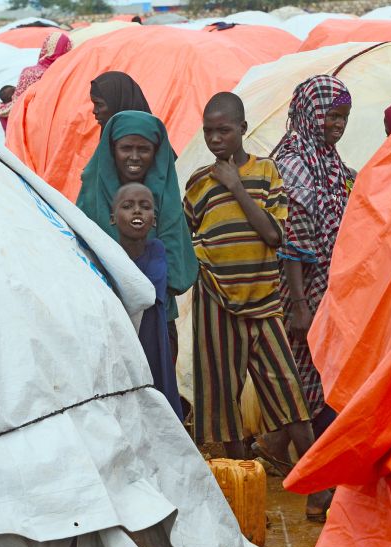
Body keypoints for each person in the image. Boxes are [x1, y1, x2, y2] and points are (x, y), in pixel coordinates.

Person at [184, 92, 329, 520]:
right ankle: (241, 492)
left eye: (223, 129)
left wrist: (234, 185)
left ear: (243, 129)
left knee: (288, 394)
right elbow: (190, 236)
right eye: (209, 131)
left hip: (264, 302)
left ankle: (319, 487)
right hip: (216, 303)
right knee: (223, 403)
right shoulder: (196, 182)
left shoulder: (267, 173)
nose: (215, 138)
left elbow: (273, 235)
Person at [266, 75, 355, 451]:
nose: (338, 125)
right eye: (331, 116)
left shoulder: (327, 159)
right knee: (303, 368)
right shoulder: (294, 163)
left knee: (312, 369)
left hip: (325, 285)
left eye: (344, 117)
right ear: (311, 113)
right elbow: (294, 239)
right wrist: (300, 305)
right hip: (298, 288)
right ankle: (307, 459)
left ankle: (273, 447)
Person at [77, 110, 197, 362]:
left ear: (156, 152)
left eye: (143, 149)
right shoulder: (93, 193)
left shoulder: (165, 194)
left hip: (158, 315)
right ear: (112, 150)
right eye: (126, 148)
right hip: (107, 315)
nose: (134, 157)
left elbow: (178, 266)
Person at [110, 182, 184, 420]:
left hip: (151, 337)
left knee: (156, 395)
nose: (137, 211)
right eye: (128, 206)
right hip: (121, 339)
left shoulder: (156, 250)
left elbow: (145, 292)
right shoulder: (108, 253)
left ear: (154, 219)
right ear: (113, 218)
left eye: (145, 206)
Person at [0, 31, 72, 131]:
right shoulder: (69, 73)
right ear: (67, 49)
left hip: (31, 128)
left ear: (46, 47)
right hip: (58, 127)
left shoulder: (28, 72)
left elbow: (17, 102)